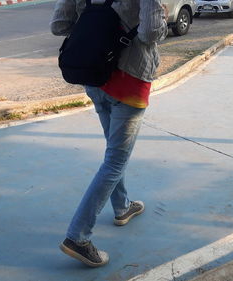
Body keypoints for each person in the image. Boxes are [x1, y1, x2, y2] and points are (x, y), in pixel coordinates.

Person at [50, 0, 168, 267]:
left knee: (113, 153)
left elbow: (59, 26)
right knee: (116, 159)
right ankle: (77, 238)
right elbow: (150, 33)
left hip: (94, 75)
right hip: (129, 80)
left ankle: (123, 207)